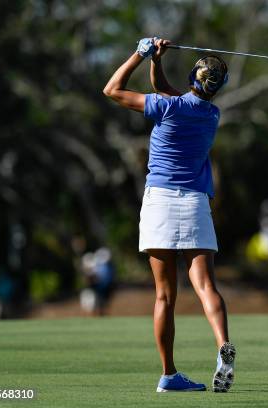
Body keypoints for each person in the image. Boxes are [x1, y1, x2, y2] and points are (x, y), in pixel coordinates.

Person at [103, 37, 235, 393]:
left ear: (192, 77)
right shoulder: (211, 114)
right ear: (217, 88)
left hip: (159, 201)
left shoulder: (166, 107)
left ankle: (168, 375)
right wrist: (157, 62)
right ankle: (222, 342)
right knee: (206, 285)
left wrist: (141, 53)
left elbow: (112, 89)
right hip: (194, 203)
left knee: (164, 297)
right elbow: (170, 90)